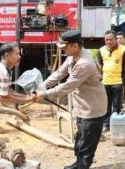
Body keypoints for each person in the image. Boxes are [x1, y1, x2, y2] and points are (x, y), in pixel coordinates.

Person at [36, 30, 107, 169]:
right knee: (80, 140)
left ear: (75, 46)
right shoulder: (72, 57)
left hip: (92, 108)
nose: (63, 50)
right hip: (82, 106)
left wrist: (45, 94)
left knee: (87, 144)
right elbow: (59, 74)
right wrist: (43, 85)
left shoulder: (84, 63)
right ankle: (78, 164)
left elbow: (68, 85)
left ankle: (82, 166)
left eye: (65, 47)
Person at [97, 30, 125, 132]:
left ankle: (114, 125)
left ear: (115, 39)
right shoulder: (101, 50)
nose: (108, 42)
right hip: (105, 82)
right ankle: (106, 124)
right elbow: (99, 64)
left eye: (110, 39)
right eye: (106, 40)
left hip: (118, 82)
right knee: (106, 105)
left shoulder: (123, 50)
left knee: (116, 106)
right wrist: (100, 76)